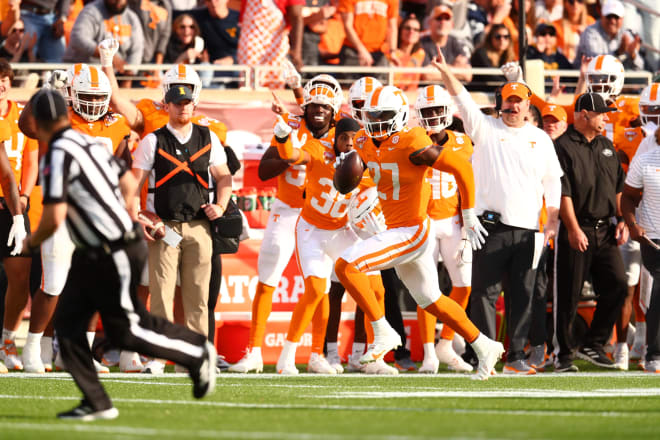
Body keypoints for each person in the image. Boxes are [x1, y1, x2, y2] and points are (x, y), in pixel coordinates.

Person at [24, 88, 216, 419]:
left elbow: (54, 216)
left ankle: (197, 352)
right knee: (68, 330)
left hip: (110, 249)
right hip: (99, 248)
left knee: (126, 328)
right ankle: (97, 402)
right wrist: (124, 212)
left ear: (40, 120)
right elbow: (128, 182)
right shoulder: (85, 141)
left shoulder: (58, 151)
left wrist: (30, 242)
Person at [333, 84, 504, 381]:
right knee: (431, 299)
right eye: (372, 115)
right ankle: (484, 345)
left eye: (383, 115)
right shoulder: (362, 139)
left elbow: (461, 169)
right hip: (396, 228)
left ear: (399, 115)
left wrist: (468, 215)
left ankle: (382, 331)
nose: (376, 121)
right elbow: (349, 183)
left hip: (411, 230)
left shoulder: (412, 139)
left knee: (346, 266)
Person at [433, 52, 563, 375]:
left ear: (528, 104)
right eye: (508, 100)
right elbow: (461, 99)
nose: (513, 106)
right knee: (483, 294)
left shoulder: (540, 138)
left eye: (519, 101)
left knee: (524, 294)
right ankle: (485, 353)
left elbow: (553, 183)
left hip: (530, 229)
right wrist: (448, 73)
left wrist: (552, 219)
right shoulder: (485, 128)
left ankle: (516, 356)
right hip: (490, 226)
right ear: (499, 102)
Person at [18, 64, 134, 374]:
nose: (94, 104)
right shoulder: (60, 117)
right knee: (53, 285)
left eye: (99, 97)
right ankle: (34, 347)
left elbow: (124, 164)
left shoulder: (116, 124)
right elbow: (26, 125)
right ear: (71, 92)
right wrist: (46, 92)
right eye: (86, 96)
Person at [228, 74, 340, 374]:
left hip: (321, 215)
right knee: (270, 267)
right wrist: (292, 157)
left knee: (322, 284)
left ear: (334, 110)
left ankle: (317, 354)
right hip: (288, 209)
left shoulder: (341, 137)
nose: (318, 111)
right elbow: (264, 170)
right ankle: (254, 351)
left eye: (324, 107)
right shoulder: (291, 128)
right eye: (313, 105)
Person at [131, 85, 232, 372]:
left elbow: (224, 177)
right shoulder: (153, 140)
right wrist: (139, 214)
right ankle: (158, 357)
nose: (183, 108)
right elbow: (134, 183)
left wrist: (221, 206)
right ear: (167, 106)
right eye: (177, 103)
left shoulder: (208, 136)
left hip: (199, 225)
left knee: (198, 295)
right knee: (161, 293)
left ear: (194, 105)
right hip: (165, 225)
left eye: (187, 102)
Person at [273, 115, 368, 375]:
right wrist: (282, 138)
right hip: (312, 229)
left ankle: (372, 356)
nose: (348, 144)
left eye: (353, 139)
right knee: (316, 289)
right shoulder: (319, 149)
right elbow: (292, 155)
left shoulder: (365, 159)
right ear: (335, 138)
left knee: (374, 286)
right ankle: (288, 357)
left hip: (342, 230)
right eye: (343, 138)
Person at [553, 92, 628, 372]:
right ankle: (562, 355)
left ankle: (593, 344)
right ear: (584, 115)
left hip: (605, 230)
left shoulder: (607, 145)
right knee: (568, 294)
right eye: (601, 113)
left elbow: (618, 188)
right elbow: (563, 192)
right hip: (576, 227)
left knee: (618, 285)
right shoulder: (561, 146)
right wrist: (572, 228)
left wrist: (622, 219)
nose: (606, 118)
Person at [413, 84, 475, 374]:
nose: (435, 115)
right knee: (427, 289)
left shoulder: (464, 141)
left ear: (448, 111)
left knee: (464, 285)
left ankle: (445, 343)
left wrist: (470, 217)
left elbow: (474, 179)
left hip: (453, 220)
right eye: (428, 111)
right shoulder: (412, 139)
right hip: (421, 221)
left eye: (438, 109)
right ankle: (428, 353)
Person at [0, 59, 38, 372]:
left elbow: (30, 159)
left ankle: (8, 340)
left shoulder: (22, 114)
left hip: (13, 206)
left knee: (21, 277)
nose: (2, 84)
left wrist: (24, 197)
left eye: (5, 78)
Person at [63, 0, 144, 86]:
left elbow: (137, 49)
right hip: (83, 74)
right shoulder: (91, 11)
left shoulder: (131, 17)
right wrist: (108, 57)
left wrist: (128, 76)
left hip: (117, 76)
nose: (119, 2)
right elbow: (78, 38)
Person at [237, 0, 303, 87]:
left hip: (276, 42)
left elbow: (296, 17)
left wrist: (296, 51)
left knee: (275, 83)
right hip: (250, 40)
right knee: (249, 84)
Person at [575, 0, 643, 70]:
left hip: (614, 78)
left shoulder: (626, 34)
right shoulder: (590, 32)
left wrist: (633, 55)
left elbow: (639, 67)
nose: (612, 21)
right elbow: (597, 64)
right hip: (587, 78)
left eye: (616, 17)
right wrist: (618, 52)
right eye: (609, 16)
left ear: (622, 19)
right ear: (602, 16)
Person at [188, 0, 240, 88]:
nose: (213, 3)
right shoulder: (199, 17)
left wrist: (233, 59)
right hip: (209, 71)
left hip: (236, 69)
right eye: (209, 0)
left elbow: (251, 47)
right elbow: (174, 15)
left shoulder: (239, 18)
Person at [337, 0, 397, 72]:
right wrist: (362, 51)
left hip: (379, 51)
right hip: (352, 51)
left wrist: (392, 52)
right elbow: (348, 26)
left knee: (379, 82)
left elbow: (392, 27)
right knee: (350, 82)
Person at [421, 2, 473, 83]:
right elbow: (427, 75)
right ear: (429, 22)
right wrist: (455, 69)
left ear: (452, 24)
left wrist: (439, 69)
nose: (443, 22)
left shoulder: (457, 43)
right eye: (438, 18)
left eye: (447, 19)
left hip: (453, 91)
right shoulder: (422, 43)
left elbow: (468, 75)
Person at [469, 24, 514, 91]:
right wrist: (510, 85)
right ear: (490, 38)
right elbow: (490, 76)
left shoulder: (508, 57)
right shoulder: (481, 53)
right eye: (498, 37)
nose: (502, 40)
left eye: (506, 37)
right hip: (479, 92)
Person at [552, 0, 595, 64]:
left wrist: (585, 35)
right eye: (571, 1)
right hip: (564, 66)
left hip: (586, 65)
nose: (575, 4)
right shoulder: (556, 25)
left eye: (579, 1)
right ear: (565, 3)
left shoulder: (591, 23)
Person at [392, 14, 425, 92]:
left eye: (416, 29)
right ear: (400, 31)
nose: (411, 32)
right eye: (407, 28)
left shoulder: (420, 54)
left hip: (412, 96)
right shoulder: (392, 53)